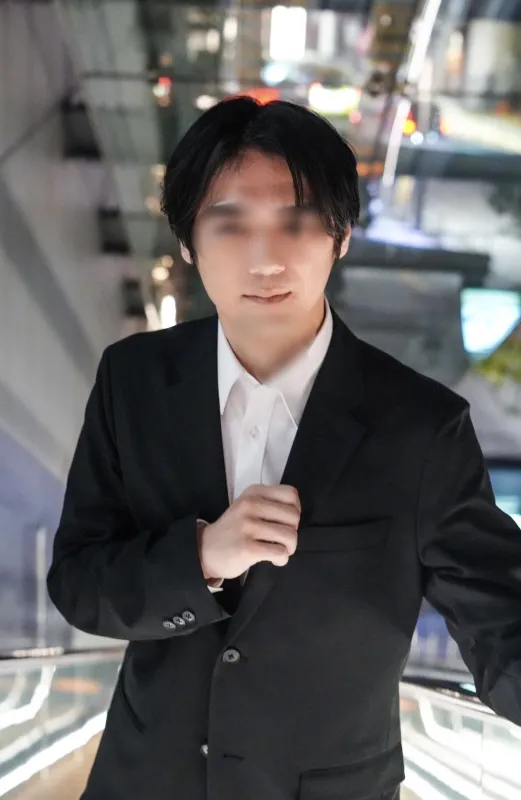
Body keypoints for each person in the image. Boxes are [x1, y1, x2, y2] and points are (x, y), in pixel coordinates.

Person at [47, 97, 521, 800]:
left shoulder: (421, 426)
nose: (264, 259)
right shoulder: (134, 381)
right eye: (230, 223)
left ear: (340, 236)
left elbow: (500, 619)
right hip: (145, 779)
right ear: (187, 242)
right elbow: (80, 582)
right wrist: (202, 557)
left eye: (296, 222)